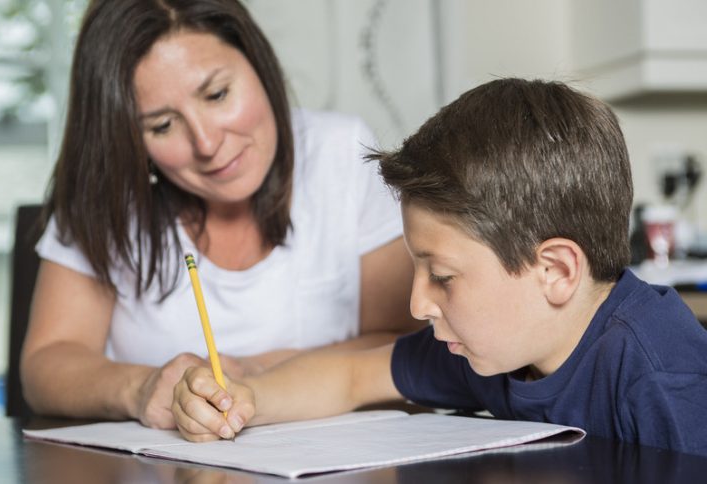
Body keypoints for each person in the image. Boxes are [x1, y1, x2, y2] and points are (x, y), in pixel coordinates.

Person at [172, 78, 707, 456]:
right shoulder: (496, 344)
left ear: (556, 272)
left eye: (442, 277)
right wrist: (247, 399)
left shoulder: (664, 377)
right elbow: (355, 376)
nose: (416, 304)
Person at [21, 0, 420, 428]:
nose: (207, 143)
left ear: (257, 61)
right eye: (162, 125)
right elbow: (46, 365)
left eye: (216, 94)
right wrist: (142, 388)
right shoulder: (106, 192)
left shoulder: (341, 152)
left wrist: (258, 371)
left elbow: (404, 345)